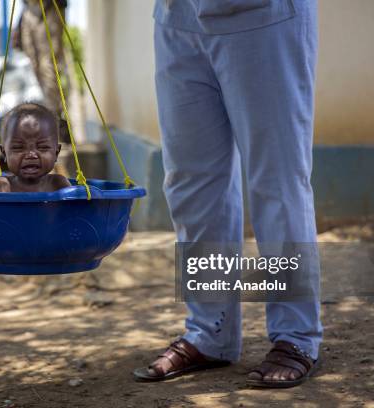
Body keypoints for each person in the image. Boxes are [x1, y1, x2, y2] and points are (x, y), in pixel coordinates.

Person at [133, 0, 323, 388]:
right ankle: (210, 332)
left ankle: (295, 336)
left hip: (263, 16)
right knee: (191, 182)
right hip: (177, 17)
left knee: (277, 181)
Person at [14, 0, 71, 142]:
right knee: (31, 65)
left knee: (48, 65)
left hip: (49, 7)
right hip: (29, 9)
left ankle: (55, 120)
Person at [0, 103, 71, 193]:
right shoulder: (2, 185)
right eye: (18, 147)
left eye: (42, 147)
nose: (31, 154)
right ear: (4, 154)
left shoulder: (58, 183)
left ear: (56, 153)